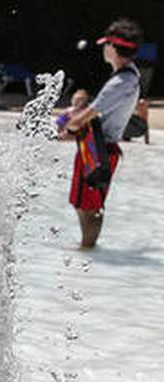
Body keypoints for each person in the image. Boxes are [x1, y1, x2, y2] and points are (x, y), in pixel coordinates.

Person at [62, 18, 144, 249]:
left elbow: (89, 113)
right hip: (102, 148)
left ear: (114, 47)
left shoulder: (120, 81)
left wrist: (66, 128)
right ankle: (88, 247)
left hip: (99, 151)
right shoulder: (130, 75)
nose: (103, 49)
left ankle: (87, 247)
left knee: (88, 205)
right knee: (88, 203)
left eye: (106, 44)